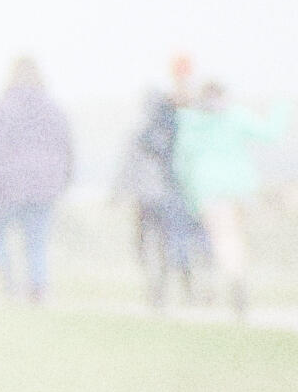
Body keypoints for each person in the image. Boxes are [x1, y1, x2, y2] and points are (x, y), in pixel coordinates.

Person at [0, 60, 74, 304]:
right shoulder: (53, 109)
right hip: (45, 185)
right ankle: (37, 288)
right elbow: (67, 148)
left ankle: (8, 283)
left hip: (5, 185)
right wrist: (65, 179)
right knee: (36, 240)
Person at [173, 78, 279, 320]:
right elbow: (271, 133)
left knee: (224, 237)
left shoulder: (192, 123)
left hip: (210, 189)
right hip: (240, 187)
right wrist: (281, 105)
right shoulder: (236, 117)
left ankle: (234, 281)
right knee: (234, 235)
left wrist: (190, 194)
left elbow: (183, 162)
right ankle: (237, 277)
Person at [116, 89, 203, 310]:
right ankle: (180, 289)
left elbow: (127, 167)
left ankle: (155, 289)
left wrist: (117, 194)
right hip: (169, 195)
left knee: (146, 244)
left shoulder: (138, 133)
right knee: (169, 243)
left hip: (145, 198)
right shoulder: (174, 130)